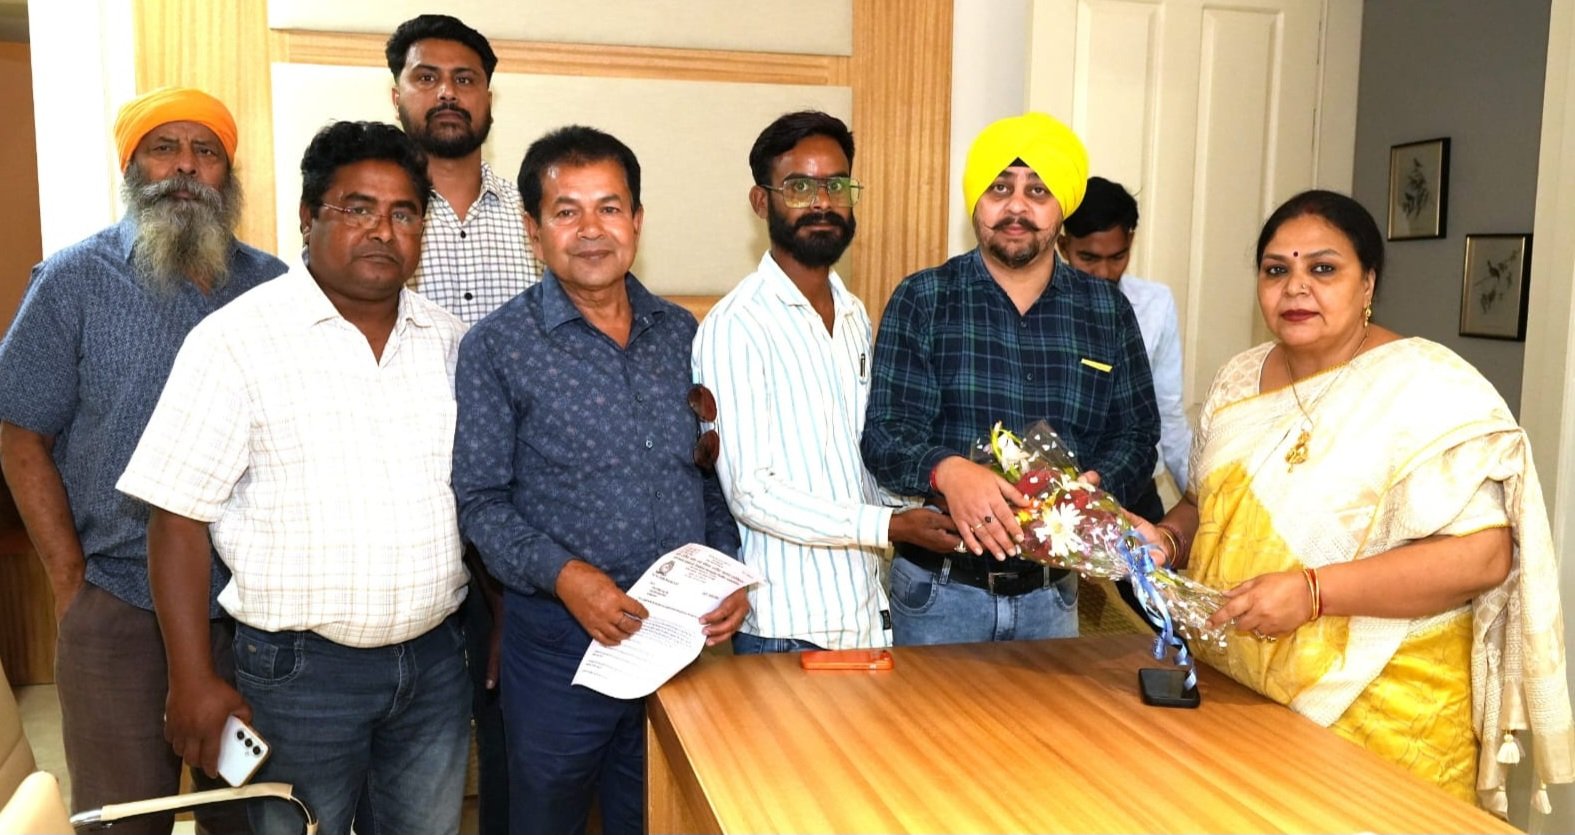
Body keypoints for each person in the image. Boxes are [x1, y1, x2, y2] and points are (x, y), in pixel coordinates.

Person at [1130, 190, 1574, 813]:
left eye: (1323, 268)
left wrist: (1313, 592)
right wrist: (1169, 539)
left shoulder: (1427, 386)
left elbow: (1484, 558)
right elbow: (1205, 501)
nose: (1296, 287)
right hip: (1240, 694)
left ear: (1368, 282)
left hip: (1386, 711)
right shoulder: (1238, 380)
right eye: (1276, 270)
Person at [116, 121, 472, 835]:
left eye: (403, 213)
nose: (383, 230)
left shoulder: (453, 342)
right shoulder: (236, 340)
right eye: (357, 208)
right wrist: (192, 677)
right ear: (308, 217)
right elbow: (176, 518)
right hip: (300, 674)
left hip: (436, 662)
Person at [0, 87, 285, 833]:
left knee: (252, 815)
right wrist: (69, 579)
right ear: (131, 167)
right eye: (164, 148)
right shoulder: (72, 281)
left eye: (206, 150)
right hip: (119, 607)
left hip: (250, 616)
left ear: (228, 173)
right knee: (125, 818)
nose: (185, 166)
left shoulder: (275, 286)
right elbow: (20, 435)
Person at [452, 125, 746, 835]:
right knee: (546, 819)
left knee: (662, 817)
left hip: (680, 643)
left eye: (609, 208)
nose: (591, 230)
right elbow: (480, 502)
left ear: (637, 220)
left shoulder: (682, 334)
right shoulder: (496, 347)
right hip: (560, 646)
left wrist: (726, 571)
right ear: (533, 230)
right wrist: (567, 577)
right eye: (567, 211)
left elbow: (708, 472)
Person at [861, 112, 1159, 646]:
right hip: (940, 593)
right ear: (976, 201)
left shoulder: (1106, 311)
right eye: (1000, 188)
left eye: (1037, 190)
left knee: (1049, 710)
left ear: (1062, 208)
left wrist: (1092, 487)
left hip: (1053, 596)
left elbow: (1137, 435)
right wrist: (947, 470)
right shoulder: (923, 299)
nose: (1017, 207)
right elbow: (885, 435)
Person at [693, 111, 960, 654]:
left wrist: (934, 494)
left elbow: (857, 460)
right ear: (761, 201)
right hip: (787, 628)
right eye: (799, 187)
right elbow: (751, 493)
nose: (822, 202)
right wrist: (891, 527)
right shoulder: (736, 325)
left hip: (866, 615)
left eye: (836, 185)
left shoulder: (856, 314)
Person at [387, 16, 538, 833]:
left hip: (518, 509)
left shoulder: (533, 214)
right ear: (397, 94)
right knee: (411, 744)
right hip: (407, 514)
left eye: (464, 78)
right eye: (426, 76)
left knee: (514, 726)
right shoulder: (377, 214)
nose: (446, 92)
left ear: (488, 96)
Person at [1058, 175, 1191, 513]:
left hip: (1135, 493)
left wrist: (1201, 505)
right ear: (1062, 245)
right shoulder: (1041, 307)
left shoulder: (1155, 303)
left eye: (1117, 256)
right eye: (1088, 257)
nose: (1104, 272)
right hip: (1061, 500)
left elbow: (1168, 412)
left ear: (1131, 241)